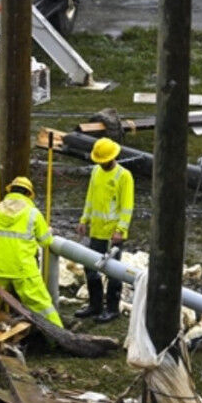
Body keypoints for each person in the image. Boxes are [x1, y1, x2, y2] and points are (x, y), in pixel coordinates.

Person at [0, 176, 63, 327]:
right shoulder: (33, 213)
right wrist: (48, 231)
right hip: (23, 268)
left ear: (10, 191)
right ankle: (57, 334)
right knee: (42, 306)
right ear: (28, 194)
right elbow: (45, 241)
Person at [76, 137, 134, 323]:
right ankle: (95, 305)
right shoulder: (96, 172)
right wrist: (84, 220)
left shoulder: (123, 176)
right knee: (90, 267)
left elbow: (127, 206)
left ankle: (112, 308)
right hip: (97, 231)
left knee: (113, 272)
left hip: (112, 234)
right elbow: (90, 198)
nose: (101, 164)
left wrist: (120, 230)